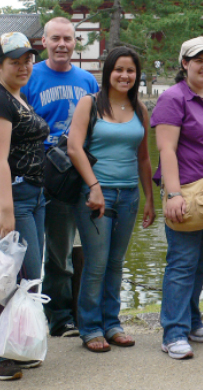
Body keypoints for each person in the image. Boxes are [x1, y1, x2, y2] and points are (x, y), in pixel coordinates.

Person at [0, 32, 49, 380]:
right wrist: (6, 211)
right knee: (8, 275)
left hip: (31, 195)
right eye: (15, 61)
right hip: (5, 196)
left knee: (29, 276)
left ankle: (14, 346)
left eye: (28, 60)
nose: (23, 67)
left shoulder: (18, 96)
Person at [151, 36, 203, 360]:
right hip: (186, 192)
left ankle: (191, 319)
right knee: (182, 262)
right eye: (198, 60)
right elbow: (166, 149)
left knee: (201, 262)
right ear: (184, 63)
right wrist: (172, 194)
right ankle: (173, 331)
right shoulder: (173, 98)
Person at [68, 46, 156, 352]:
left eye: (130, 70)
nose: (124, 75)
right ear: (108, 72)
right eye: (119, 69)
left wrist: (149, 198)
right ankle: (90, 327)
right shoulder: (90, 103)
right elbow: (74, 148)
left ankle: (112, 323)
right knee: (96, 263)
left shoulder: (139, 108)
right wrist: (93, 185)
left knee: (116, 263)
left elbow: (143, 158)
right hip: (96, 194)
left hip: (129, 193)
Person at [23, 17, 99, 339]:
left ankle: (61, 316)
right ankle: (21, 318)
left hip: (73, 174)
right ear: (44, 42)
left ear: (75, 42)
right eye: (55, 38)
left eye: (68, 39)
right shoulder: (29, 76)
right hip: (37, 172)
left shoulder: (87, 81)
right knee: (29, 251)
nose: (62, 45)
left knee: (62, 250)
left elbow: (96, 127)